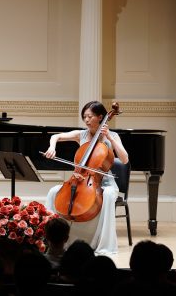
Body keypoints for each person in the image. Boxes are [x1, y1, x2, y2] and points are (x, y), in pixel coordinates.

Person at [43, 101, 129, 254]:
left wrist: (109, 136)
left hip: (105, 182)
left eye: (90, 116)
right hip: (81, 179)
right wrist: (52, 146)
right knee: (53, 191)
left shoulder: (112, 136)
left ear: (100, 117)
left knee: (108, 195)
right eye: (84, 117)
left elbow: (124, 159)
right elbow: (56, 136)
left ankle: (104, 244)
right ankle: (50, 239)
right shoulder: (81, 135)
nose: (87, 120)